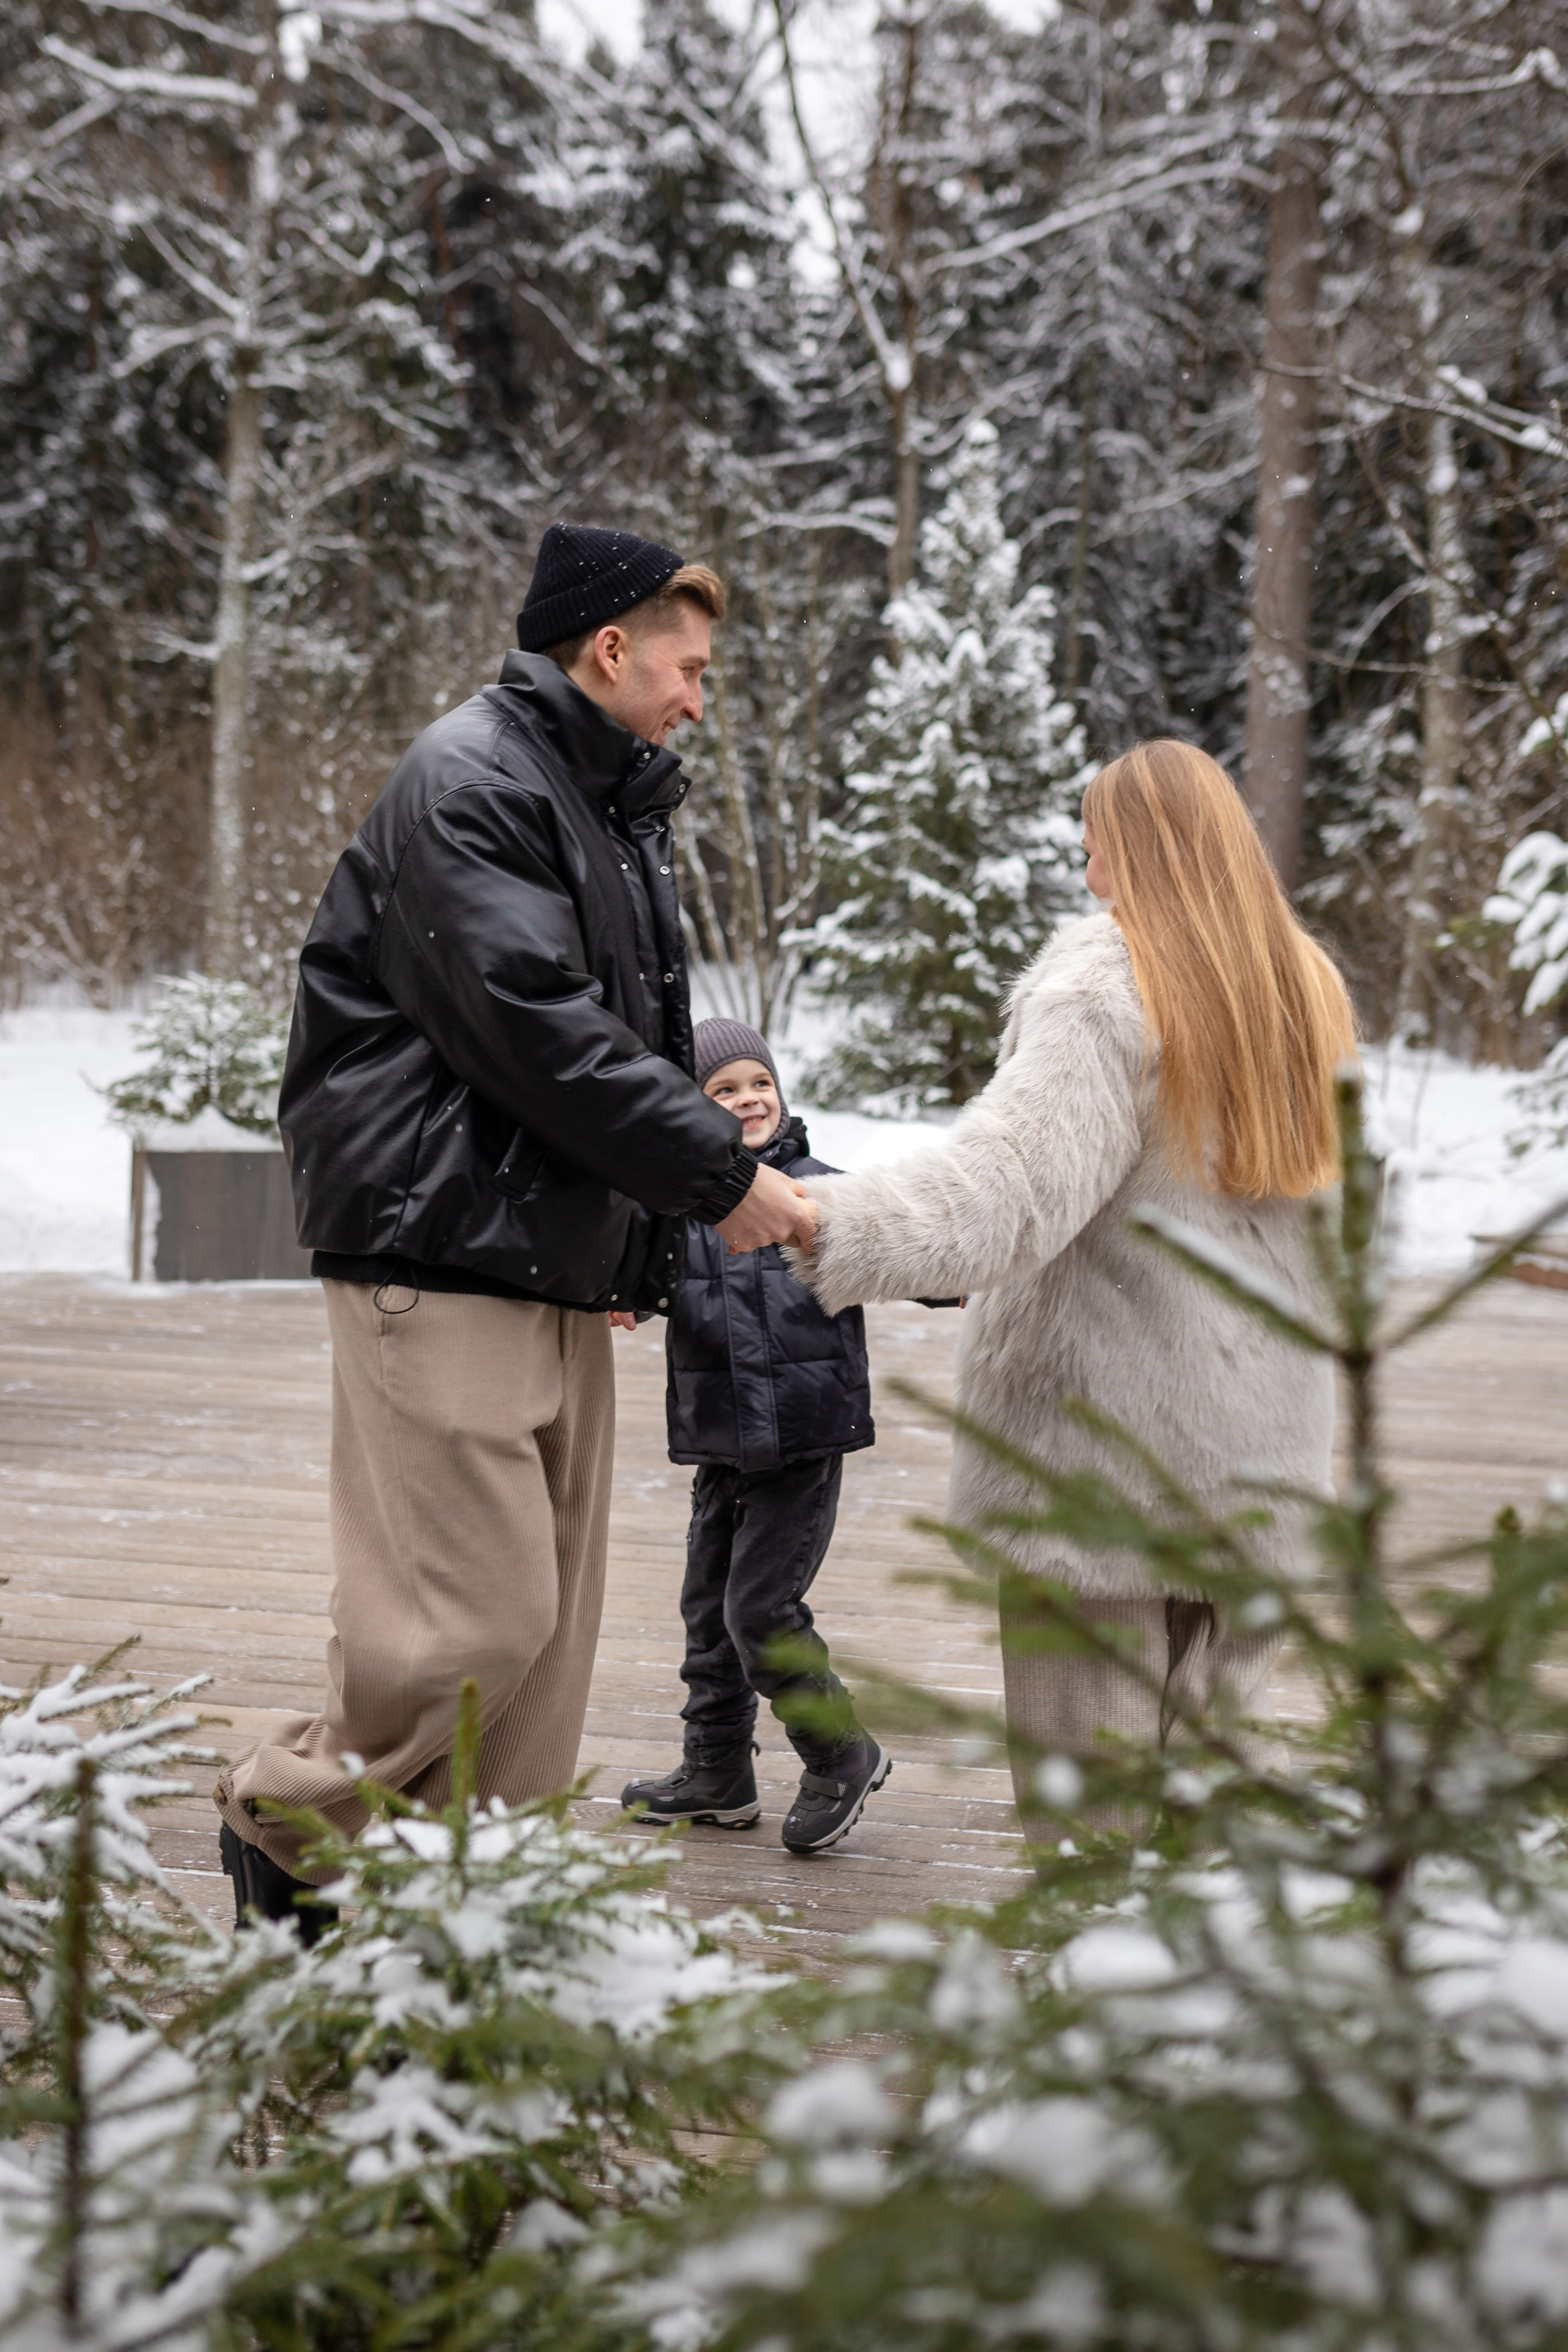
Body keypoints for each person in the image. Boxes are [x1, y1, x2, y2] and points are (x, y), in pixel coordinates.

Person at [216, 523, 815, 1937]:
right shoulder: (473, 781)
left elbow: (602, 1041)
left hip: (548, 1258)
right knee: (465, 1630)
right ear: (608, 650)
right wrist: (718, 1178)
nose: (697, 701)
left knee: (541, 1666)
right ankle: (285, 1820)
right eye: (686, 669)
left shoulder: (594, 802)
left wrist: (630, 1239)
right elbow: (535, 1029)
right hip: (437, 1248)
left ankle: (463, 1943)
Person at [782, 739, 1356, 1826]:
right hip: (1262, 1464)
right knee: (1205, 1823)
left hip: (1104, 1463)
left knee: (1092, 1828)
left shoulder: (1111, 986)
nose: (1087, 862)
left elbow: (1013, 1188)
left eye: (1097, 837)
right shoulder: (1305, 991)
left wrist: (826, 1222)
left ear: (1139, 848)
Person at [618, 1020, 892, 1855]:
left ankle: (840, 1751)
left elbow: (903, 1242)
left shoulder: (818, 1191)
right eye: (724, 1090)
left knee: (761, 1612)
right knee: (708, 1614)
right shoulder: (677, 1208)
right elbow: (634, 1272)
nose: (748, 1100)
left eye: (759, 1083)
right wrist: (615, 1289)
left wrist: (947, 1277)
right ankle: (717, 1772)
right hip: (721, 1439)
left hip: (805, 1436)